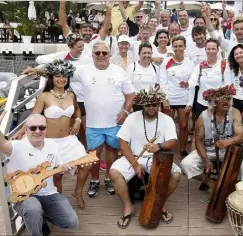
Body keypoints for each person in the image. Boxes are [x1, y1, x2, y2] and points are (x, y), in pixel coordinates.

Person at [0, 104, 78, 235]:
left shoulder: (52, 145)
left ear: (46, 129)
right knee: (33, 209)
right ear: (26, 130)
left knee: (71, 221)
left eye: (42, 127)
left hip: (49, 193)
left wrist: (67, 168)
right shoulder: (17, 146)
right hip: (25, 195)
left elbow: (58, 166)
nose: (38, 131)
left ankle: (41, 218)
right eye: (33, 128)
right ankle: (35, 223)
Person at [21, 60, 91, 209]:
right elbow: (33, 117)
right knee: (57, 175)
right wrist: (21, 132)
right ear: (51, 77)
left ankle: (77, 192)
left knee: (87, 164)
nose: (61, 79)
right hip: (51, 142)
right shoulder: (44, 96)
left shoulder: (71, 95)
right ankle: (60, 202)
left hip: (69, 140)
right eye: (57, 75)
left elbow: (77, 109)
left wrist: (77, 120)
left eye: (64, 76)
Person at [109, 87, 181, 229]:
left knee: (176, 174)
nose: (151, 108)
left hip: (158, 157)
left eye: (154, 104)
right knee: (114, 172)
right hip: (135, 156)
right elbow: (122, 143)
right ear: (142, 105)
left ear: (159, 104)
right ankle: (128, 207)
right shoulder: (132, 117)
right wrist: (135, 165)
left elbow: (173, 141)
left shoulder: (166, 119)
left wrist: (159, 146)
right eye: (148, 105)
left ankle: (159, 204)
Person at [72, 41, 135, 198]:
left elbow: (130, 95)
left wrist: (126, 112)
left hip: (115, 121)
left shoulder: (119, 71)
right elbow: (59, 71)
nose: (101, 55)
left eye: (104, 53)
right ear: (92, 55)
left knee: (112, 151)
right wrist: (37, 71)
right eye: (97, 52)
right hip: (93, 123)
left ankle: (108, 178)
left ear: (110, 55)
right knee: (94, 154)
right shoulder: (82, 70)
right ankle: (94, 180)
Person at [181, 84, 243, 189]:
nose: (226, 102)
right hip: (208, 150)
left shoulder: (234, 112)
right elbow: (198, 141)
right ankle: (210, 183)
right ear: (214, 102)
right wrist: (205, 160)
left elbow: (241, 137)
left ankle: (239, 188)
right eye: (222, 99)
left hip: (229, 150)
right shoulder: (203, 116)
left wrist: (228, 142)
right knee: (186, 164)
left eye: (228, 98)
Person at [160, 36, 195, 159]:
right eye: (175, 46)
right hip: (169, 100)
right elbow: (162, 82)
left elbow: (192, 84)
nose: (178, 48)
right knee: (167, 126)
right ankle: (166, 148)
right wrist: (165, 100)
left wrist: (190, 103)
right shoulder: (166, 62)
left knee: (183, 126)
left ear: (185, 47)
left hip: (183, 99)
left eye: (180, 46)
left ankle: (182, 149)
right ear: (172, 47)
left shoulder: (190, 64)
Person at [127, 42, 159, 111]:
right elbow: (127, 88)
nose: (147, 55)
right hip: (136, 104)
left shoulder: (155, 68)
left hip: (151, 105)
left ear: (151, 54)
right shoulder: (132, 67)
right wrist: (130, 106)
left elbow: (157, 86)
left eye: (149, 53)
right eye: (144, 53)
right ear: (139, 54)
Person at [224, 44, 243, 113]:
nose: (239, 55)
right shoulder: (231, 69)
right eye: (236, 54)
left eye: (241, 53)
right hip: (235, 101)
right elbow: (228, 86)